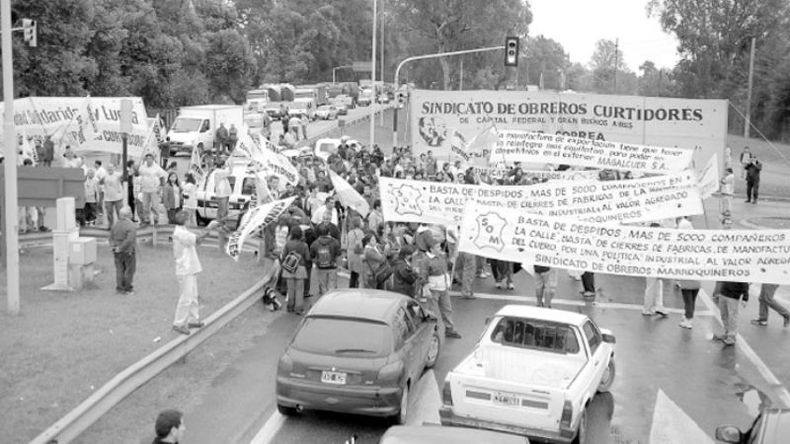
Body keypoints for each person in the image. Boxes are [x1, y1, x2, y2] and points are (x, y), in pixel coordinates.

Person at [171, 211, 220, 335]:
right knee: (186, 297)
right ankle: (178, 323)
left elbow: (197, 240)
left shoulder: (183, 231)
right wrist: (210, 227)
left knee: (193, 295)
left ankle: (193, 319)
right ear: (186, 220)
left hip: (189, 268)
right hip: (185, 269)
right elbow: (197, 239)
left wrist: (209, 229)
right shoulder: (181, 233)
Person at [280, 226, 311, 314]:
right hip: (300, 268)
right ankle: (299, 308)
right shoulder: (304, 245)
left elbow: (284, 255)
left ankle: (290, 306)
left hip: (289, 268)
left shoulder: (288, 244)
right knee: (299, 289)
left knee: (290, 289)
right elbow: (308, 257)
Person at [109, 207, 137, 295]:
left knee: (119, 270)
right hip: (128, 251)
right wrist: (121, 248)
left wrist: (114, 247)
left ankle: (119, 288)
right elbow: (129, 240)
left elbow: (111, 237)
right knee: (129, 270)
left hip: (117, 251)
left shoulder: (115, 224)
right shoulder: (131, 225)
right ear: (128, 215)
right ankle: (128, 289)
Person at [643, 223, 669, 317]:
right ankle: (647, 308)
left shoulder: (652, 241)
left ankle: (658, 306)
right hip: (652, 267)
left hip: (655, 266)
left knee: (658, 285)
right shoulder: (652, 242)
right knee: (651, 287)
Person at [712, 281, 749, 346]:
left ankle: (731, 337)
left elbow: (745, 283)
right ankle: (727, 332)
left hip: (733, 296)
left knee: (732, 316)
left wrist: (745, 298)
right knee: (724, 315)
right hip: (723, 293)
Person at [310, 224, 342, 297]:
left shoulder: (315, 243)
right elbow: (339, 254)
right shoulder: (335, 242)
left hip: (321, 267)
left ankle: (324, 300)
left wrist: (316, 263)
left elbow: (312, 255)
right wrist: (337, 264)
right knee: (332, 286)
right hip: (332, 266)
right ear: (329, 232)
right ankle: (331, 301)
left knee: (323, 286)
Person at [138, 153, 167, 226]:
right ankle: (147, 220)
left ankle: (156, 220)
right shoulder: (142, 167)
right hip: (145, 190)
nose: (149, 160)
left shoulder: (157, 168)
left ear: (153, 159)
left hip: (154, 190)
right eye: (147, 158)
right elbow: (138, 175)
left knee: (155, 206)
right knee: (145, 206)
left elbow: (162, 177)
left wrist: (160, 188)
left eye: (150, 158)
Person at [101, 164, 124, 228]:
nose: (110, 169)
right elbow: (100, 183)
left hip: (118, 197)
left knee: (119, 212)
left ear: (114, 168)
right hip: (108, 198)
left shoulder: (118, 174)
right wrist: (101, 180)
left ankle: (120, 225)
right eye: (108, 168)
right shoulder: (105, 175)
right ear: (107, 169)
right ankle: (110, 225)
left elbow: (123, 176)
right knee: (109, 213)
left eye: (111, 167)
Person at [346, 216, 366, 288]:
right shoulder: (360, 233)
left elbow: (347, 244)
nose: (363, 223)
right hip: (357, 254)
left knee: (353, 274)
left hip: (350, 253)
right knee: (357, 274)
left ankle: (351, 288)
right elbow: (361, 245)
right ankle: (355, 289)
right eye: (361, 221)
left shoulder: (350, 232)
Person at [213, 161, 232, 225]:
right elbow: (229, 172)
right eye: (224, 165)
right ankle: (220, 224)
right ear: (221, 166)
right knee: (222, 211)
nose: (225, 167)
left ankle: (221, 223)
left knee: (224, 210)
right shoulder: (219, 172)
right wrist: (230, 165)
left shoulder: (220, 172)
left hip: (224, 194)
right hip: (222, 194)